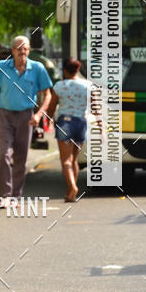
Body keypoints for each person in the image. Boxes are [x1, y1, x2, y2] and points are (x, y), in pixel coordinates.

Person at [0, 35, 52, 201]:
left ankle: (15, 196)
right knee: (4, 155)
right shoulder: (1, 67)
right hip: (5, 116)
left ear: (29, 51)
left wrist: (39, 114)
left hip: (27, 116)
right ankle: (4, 195)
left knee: (21, 158)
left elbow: (48, 95)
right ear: (12, 50)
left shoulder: (37, 68)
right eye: (19, 48)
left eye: (25, 48)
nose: (22, 51)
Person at [46, 57, 93, 202]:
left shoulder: (59, 86)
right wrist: (101, 126)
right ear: (78, 70)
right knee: (74, 160)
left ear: (64, 70)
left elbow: (51, 107)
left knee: (65, 161)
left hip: (65, 123)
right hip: (81, 124)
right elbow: (95, 107)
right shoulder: (88, 85)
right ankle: (70, 193)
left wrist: (48, 120)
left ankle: (72, 187)